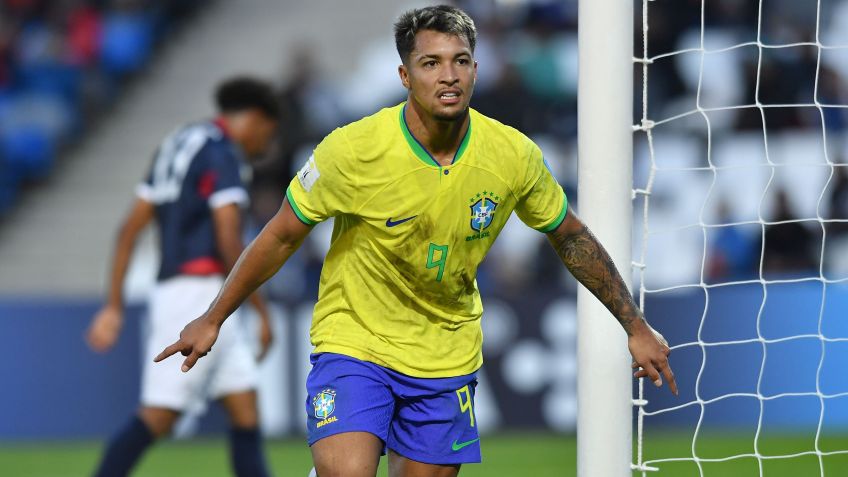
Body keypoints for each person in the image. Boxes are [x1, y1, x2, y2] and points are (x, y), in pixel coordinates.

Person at [155, 6, 677, 477]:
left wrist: (635, 325)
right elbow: (280, 236)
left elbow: (571, 237)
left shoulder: (513, 156)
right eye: (431, 63)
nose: (448, 75)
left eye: (460, 61)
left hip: (446, 355)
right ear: (405, 75)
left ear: (476, 69)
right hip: (355, 341)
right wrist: (214, 317)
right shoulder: (353, 150)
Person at [86, 76, 279, 477]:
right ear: (256, 119)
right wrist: (260, 309)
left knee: (245, 408)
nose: (266, 143)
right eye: (269, 132)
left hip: (186, 291)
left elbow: (129, 229)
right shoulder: (224, 153)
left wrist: (114, 306)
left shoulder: (179, 142)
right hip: (199, 296)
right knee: (159, 414)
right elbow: (229, 241)